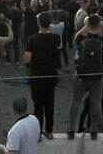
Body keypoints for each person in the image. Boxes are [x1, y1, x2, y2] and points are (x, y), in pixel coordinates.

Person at [67, 14, 103, 140]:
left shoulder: (81, 38)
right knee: (96, 103)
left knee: (75, 102)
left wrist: (86, 25)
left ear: (87, 25)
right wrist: (102, 26)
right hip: (97, 76)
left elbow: (75, 39)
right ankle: (93, 129)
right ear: (99, 24)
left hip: (81, 75)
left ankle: (71, 129)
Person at [23, 11, 60, 139]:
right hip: (51, 76)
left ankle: (38, 133)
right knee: (50, 105)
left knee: (38, 106)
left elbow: (27, 59)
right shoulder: (56, 38)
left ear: (38, 24)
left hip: (37, 77)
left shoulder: (32, 39)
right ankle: (49, 132)